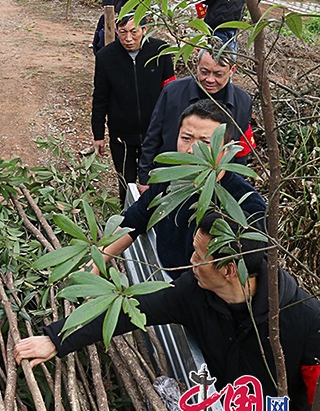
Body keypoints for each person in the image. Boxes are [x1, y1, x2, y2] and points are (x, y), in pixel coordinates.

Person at [15, 212, 320, 411]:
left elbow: (311, 402)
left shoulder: (305, 318)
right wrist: (56, 339)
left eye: (200, 257)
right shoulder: (193, 293)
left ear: (228, 270)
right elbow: (128, 311)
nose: (191, 261)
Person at [96, 99, 266, 273]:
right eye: (186, 138)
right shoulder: (169, 179)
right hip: (165, 278)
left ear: (226, 148)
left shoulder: (246, 205)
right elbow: (133, 222)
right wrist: (93, 266)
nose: (192, 150)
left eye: (206, 142)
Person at [138, 48, 254, 189]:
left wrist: (235, 185)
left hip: (215, 183)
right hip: (169, 175)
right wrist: (145, 177)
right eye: (204, 72)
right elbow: (153, 136)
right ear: (197, 64)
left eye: (218, 74)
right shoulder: (173, 91)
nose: (210, 80)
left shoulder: (242, 101)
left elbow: (240, 148)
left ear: (232, 70)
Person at [91, 15, 175, 201]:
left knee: (155, 184)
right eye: (123, 32)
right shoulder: (106, 57)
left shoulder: (160, 51)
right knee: (126, 183)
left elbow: (171, 92)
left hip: (155, 133)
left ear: (144, 30)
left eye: (133, 32)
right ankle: (126, 219)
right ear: (116, 32)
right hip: (122, 135)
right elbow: (100, 97)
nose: (128, 38)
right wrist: (98, 134)